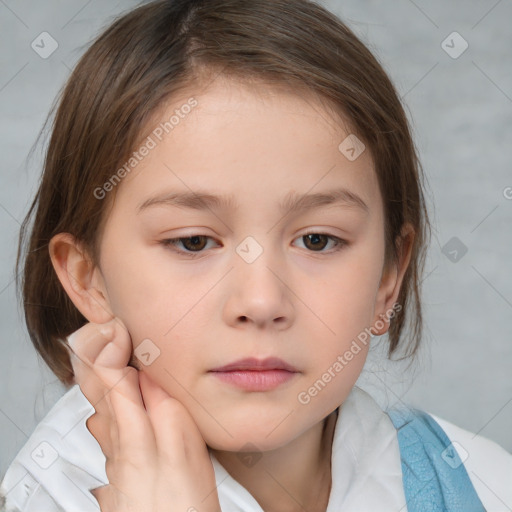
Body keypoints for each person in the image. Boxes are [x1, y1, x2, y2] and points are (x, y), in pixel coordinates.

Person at [1, 0, 511, 511]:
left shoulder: (484, 484)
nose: (262, 300)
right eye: (193, 242)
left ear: (389, 278)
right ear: (88, 279)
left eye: (317, 240)